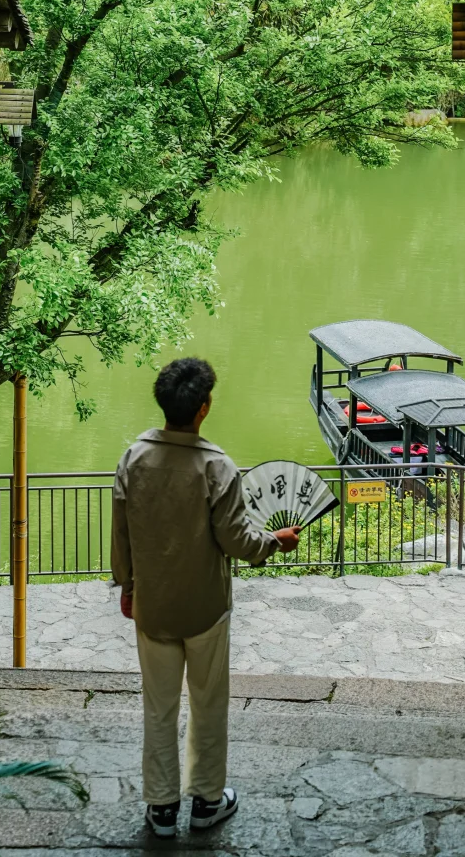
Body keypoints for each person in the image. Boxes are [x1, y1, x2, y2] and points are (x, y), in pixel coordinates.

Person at [111, 356, 300, 841]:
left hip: (153, 607)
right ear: (203, 407)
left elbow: (121, 537)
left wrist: (128, 587)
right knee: (208, 703)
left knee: (158, 707)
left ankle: (162, 808)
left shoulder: (134, 459)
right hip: (206, 609)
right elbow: (237, 539)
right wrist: (275, 543)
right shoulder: (215, 466)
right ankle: (208, 802)